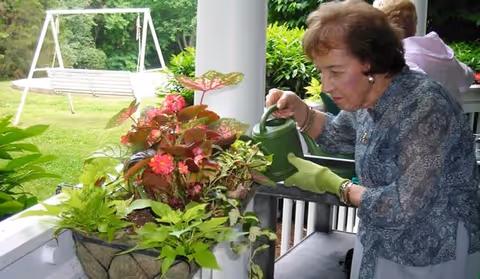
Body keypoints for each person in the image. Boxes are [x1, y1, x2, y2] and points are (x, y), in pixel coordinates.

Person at [265, 0, 480, 278]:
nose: (326, 86)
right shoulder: (369, 98)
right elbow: (337, 134)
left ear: (371, 63)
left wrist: (335, 185)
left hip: (433, 253)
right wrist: (299, 110)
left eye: (336, 72)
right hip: (380, 242)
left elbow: (404, 207)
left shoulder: (426, 107)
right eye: (321, 71)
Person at [373, 0, 475, 106]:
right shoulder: (440, 52)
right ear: (415, 23)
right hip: (452, 119)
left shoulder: (399, 61)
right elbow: (469, 76)